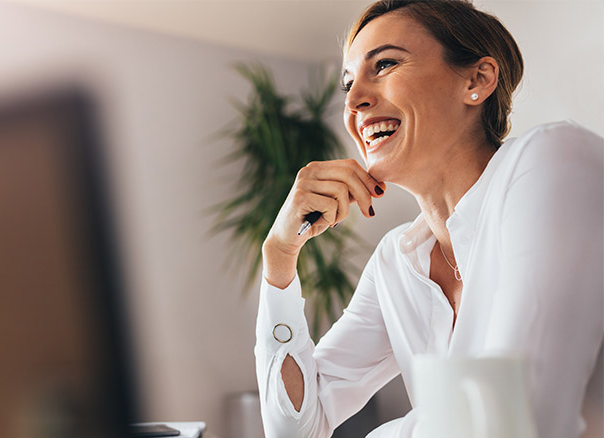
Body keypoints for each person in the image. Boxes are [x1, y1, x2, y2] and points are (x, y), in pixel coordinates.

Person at [254, 0, 604, 437]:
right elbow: (295, 430)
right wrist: (280, 256)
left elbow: (519, 419)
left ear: (477, 81)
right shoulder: (395, 263)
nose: (355, 102)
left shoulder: (554, 161)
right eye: (348, 85)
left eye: (383, 65)